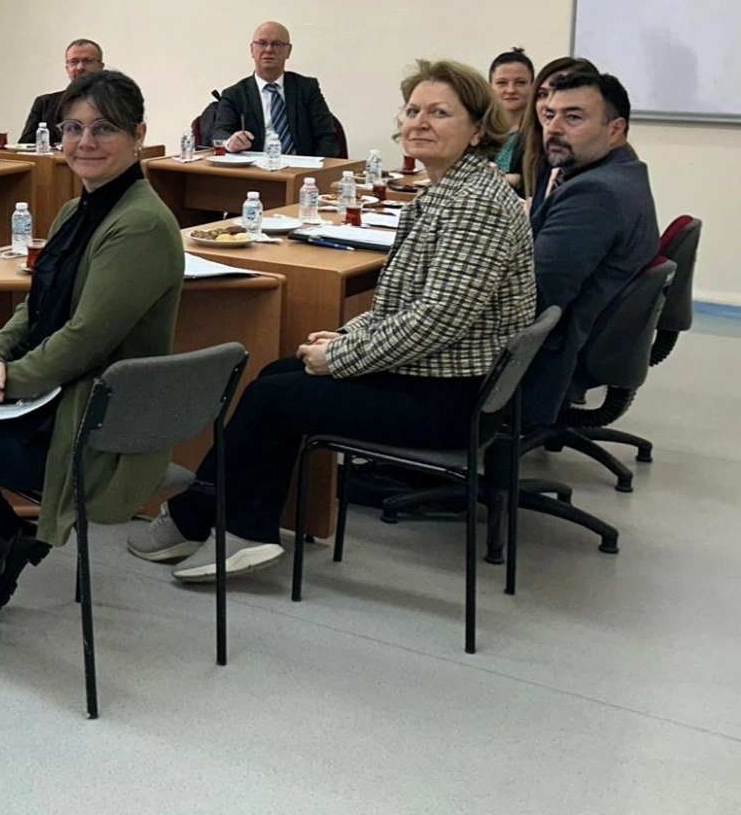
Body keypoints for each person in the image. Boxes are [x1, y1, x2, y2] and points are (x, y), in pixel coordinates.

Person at [133, 60, 536, 581]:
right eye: (414, 111)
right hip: (439, 376)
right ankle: (244, 527)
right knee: (278, 376)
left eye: (439, 113)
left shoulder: (475, 203)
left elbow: (438, 318)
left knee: (273, 398)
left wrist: (342, 356)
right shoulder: (450, 189)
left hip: (451, 397)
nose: (419, 122)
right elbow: (406, 306)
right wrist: (349, 334)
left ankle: (196, 516)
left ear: (478, 129)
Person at [0, 70, 184, 630]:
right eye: (73, 128)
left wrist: (6, 380)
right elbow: (35, 308)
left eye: (104, 128)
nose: (85, 142)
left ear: (138, 135)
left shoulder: (141, 225)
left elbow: (85, 340)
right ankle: (1, 537)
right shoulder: (77, 211)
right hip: (59, 393)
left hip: (96, 422)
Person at [525, 72, 659, 425]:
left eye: (573, 117)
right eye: (549, 115)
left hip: (549, 353)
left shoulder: (594, 195)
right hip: (585, 335)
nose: (554, 128)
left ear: (616, 130)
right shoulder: (623, 171)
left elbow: (534, 296)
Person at [204, 22, 341, 157]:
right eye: (262, 43)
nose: (269, 49)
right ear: (252, 49)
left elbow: (327, 135)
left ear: (288, 51)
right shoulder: (234, 94)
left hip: (301, 166)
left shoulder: (307, 88)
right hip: (254, 167)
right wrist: (230, 143)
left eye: (276, 44)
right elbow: (220, 133)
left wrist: (319, 167)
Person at [519, 57, 598, 201]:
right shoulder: (535, 148)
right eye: (543, 94)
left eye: (561, 92)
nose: (550, 104)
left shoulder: (583, 158)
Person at [18, 38, 104, 145]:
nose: (80, 67)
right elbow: (26, 145)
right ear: (67, 68)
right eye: (74, 62)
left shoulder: (117, 103)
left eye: (87, 61)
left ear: (101, 67)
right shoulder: (45, 104)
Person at [488, 48, 534, 187]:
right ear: (490, 87)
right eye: (502, 83)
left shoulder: (543, 130)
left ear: (533, 86)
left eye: (520, 83)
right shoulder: (477, 128)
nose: (511, 90)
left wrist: (515, 180)